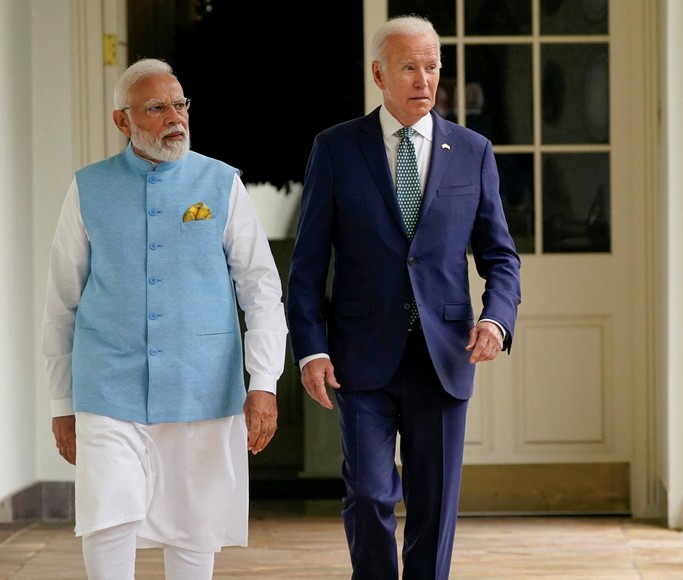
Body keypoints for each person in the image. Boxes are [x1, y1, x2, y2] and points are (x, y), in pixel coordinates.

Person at [285, 14, 522, 580]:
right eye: (409, 67)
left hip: (444, 355)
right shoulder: (337, 150)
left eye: (432, 67)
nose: (424, 79)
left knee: (434, 507)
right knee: (368, 493)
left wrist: (496, 319)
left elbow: (500, 257)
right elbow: (307, 266)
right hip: (360, 356)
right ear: (378, 74)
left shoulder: (473, 151)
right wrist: (311, 350)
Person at [41, 57, 287, 580]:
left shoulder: (221, 184)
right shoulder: (87, 189)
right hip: (107, 386)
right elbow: (61, 300)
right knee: (106, 519)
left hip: (202, 386)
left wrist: (263, 382)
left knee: (194, 527)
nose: (174, 117)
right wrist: (62, 402)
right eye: (156, 107)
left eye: (180, 104)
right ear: (122, 121)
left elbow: (261, 288)